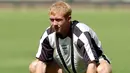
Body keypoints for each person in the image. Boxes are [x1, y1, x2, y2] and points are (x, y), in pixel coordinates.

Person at [29, 1, 112, 73]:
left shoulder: (81, 34)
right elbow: (42, 62)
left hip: (88, 67)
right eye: (52, 19)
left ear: (68, 19)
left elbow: (92, 64)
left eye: (58, 20)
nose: (54, 24)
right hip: (64, 67)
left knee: (103, 70)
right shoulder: (48, 35)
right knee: (34, 66)